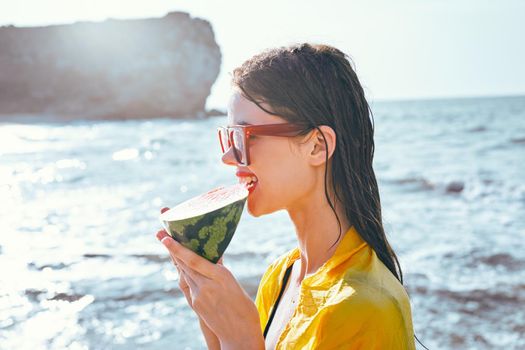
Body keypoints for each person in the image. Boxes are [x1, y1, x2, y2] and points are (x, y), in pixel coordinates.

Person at [156, 43, 416, 349]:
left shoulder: (365, 308)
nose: (228, 156)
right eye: (228, 136)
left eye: (244, 136)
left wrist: (240, 336)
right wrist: (213, 319)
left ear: (317, 146)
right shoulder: (282, 275)